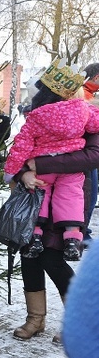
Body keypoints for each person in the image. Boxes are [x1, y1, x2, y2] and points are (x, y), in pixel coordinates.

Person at [10, 65, 99, 342]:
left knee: (53, 258)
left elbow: (92, 157)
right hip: (34, 194)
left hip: (69, 198)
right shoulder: (39, 117)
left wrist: (39, 164)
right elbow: (20, 149)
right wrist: (23, 172)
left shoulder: (87, 113)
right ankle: (35, 320)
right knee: (29, 255)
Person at [4, 59, 99, 262]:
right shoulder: (84, 112)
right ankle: (72, 237)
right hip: (72, 177)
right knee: (71, 198)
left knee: (40, 196)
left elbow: (20, 147)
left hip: (41, 169)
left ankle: (35, 233)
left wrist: (16, 170)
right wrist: (23, 173)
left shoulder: (37, 117)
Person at [80, 63, 99, 246]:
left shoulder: (89, 95)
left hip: (89, 153)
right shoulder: (84, 96)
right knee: (89, 194)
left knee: (91, 193)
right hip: (86, 154)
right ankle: (82, 233)